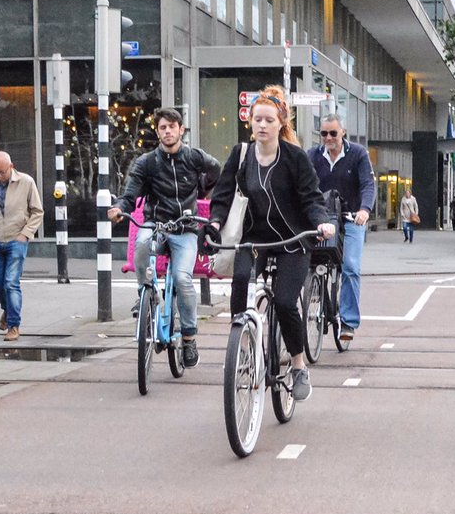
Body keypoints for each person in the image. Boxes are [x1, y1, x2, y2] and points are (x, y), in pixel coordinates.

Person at [210, 85, 335, 402]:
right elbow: (222, 196)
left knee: (284, 301)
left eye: (268, 120)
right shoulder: (240, 155)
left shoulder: (294, 158)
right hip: (254, 240)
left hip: (293, 241)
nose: (262, 125)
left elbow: (311, 198)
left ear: (281, 123)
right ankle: (241, 351)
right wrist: (213, 223)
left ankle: (297, 363)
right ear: (250, 123)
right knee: (240, 283)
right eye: (257, 120)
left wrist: (321, 221)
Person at [107, 107, 220, 368]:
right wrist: (120, 210)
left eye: (172, 126)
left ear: (181, 129)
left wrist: (201, 190)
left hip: (186, 227)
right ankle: (144, 293)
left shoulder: (194, 157)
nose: (167, 131)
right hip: (155, 223)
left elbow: (217, 171)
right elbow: (130, 193)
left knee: (182, 278)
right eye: (162, 127)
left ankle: (189, 337)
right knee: (142, 243)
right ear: (157, 132)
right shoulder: (147, 162)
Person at [307, 113, 375, 343]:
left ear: (342, 132)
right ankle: (312, 300)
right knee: (308, 262)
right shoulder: (313, 156)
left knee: (350, 266)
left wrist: (364, 210)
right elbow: (304, 185)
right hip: (324, 220)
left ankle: (348, 321)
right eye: (324, 133)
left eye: (333, 133)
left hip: (351, 218)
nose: (328, 138)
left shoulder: (357, 154)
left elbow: (367, 184)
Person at [0, 151, 44, 342]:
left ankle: (13, 325)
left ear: (11, 167)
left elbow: (37, 211)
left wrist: (25, 235)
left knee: (11, 283)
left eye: (2, 172)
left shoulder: (26, 182)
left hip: (16, 239)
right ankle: (7, 309)